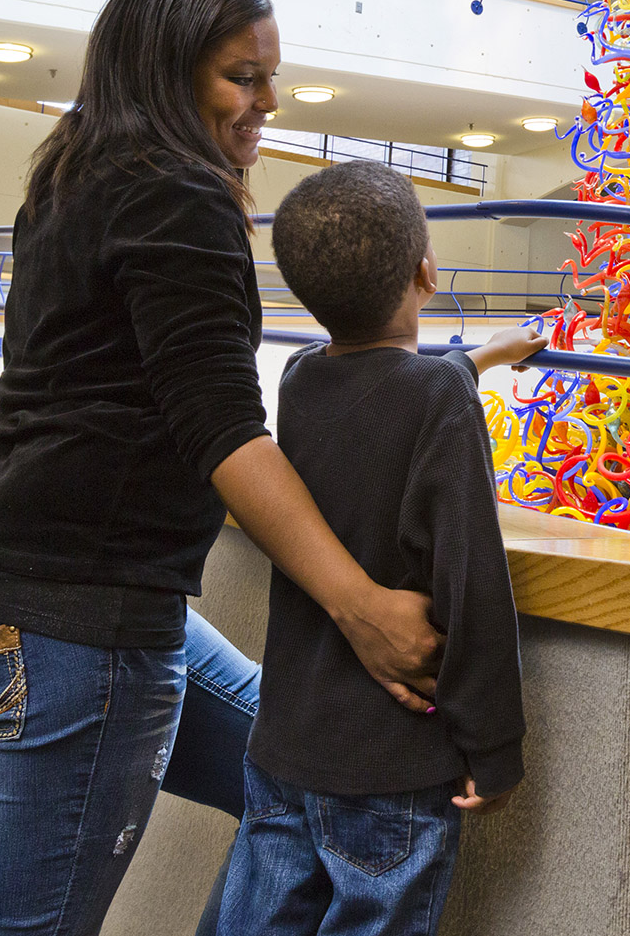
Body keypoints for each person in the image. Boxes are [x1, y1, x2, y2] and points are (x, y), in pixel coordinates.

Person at [0, 0, 444, 936]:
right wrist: (359, 606)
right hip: (83, 623)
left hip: (34, 595)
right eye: (242, 76)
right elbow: (222, 428)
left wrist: (455, 373)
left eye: (270, 73)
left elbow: (109, 387)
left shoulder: (78, 173)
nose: (272, 98)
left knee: (299, 779)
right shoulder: (179, 196)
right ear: (165, 70)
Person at [217, 160, 548, 936]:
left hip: (284, 749)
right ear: (427, 271)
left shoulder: (299, 378)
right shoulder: (439, 400)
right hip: (391, 776)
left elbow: (383, 397)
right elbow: (474, 585)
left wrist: (484, 357)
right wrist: (493, 748)